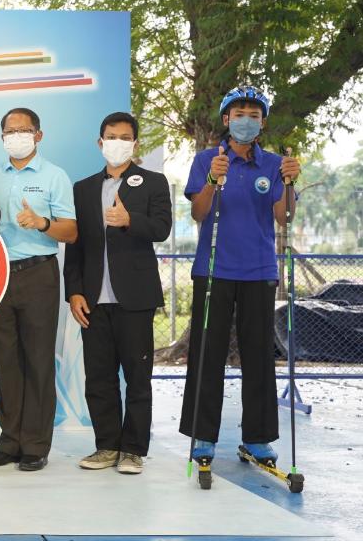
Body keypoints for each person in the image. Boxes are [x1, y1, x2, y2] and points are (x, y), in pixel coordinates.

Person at [179, 86, 301, 470]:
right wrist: (212, 180)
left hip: (259, 271)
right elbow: (199, 213)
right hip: (213, 270)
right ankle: (203, 435)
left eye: (254, 115)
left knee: (259, 355)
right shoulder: (207, 159)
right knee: (207, 354)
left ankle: (257, 438)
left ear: (262, 123)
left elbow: (284, 216)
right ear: (226, 119)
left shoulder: (273, 164)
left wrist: (290, 183)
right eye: (239, 114)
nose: (246, 121)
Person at [64, 112, 171, 475]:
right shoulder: (82, 188)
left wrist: (130, 221)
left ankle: (133, 450)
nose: (118, 143)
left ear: (135, 143)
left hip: (135, 298)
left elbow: (162, 228)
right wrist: (74, 292)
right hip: (93, 300)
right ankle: (107, 446)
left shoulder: (153, 183)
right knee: (99, 378)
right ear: (100, 142)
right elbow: (75, 246)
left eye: (125, 137)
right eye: (111, 137)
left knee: (138, 377)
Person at [0, 107, 77, 472]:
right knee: (5, 360)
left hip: (38, 274)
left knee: (37, 360)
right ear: (2, 136)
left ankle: (35, 445)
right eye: (10, 131)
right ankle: (9, 441)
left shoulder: (54, 176)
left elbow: (71, 231)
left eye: (24, 130)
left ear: (38, 134)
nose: (16, 136)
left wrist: (41, 222)